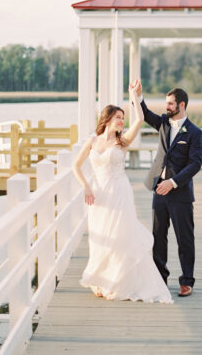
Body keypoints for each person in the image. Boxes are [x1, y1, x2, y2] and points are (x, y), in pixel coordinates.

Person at [72, 82, 173, 303]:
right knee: (100, 237)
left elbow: (139, 119)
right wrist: (86, 186)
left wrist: (134, 96)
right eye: (118, 117)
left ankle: (119, 281)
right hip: (98, 194)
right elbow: (76, 166)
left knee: (119, 235)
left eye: (122, 118)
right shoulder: (92, 140)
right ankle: (101, 280)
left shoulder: (122, 141)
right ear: (107, 119)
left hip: (119, 192)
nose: (121, 121)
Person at [134, 81, 202, 297]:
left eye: (170, 104)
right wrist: (138, 96)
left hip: (179, 193)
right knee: (158, 236)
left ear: (181, 105)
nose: (166, 107)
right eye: (166, 103)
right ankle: (160, 278)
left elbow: (195, 164)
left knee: (185, 238)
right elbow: (145, 114)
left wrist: (172, 183)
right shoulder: (164, 123)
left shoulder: (194, 132)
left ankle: (186, 281)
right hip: (159, 191)